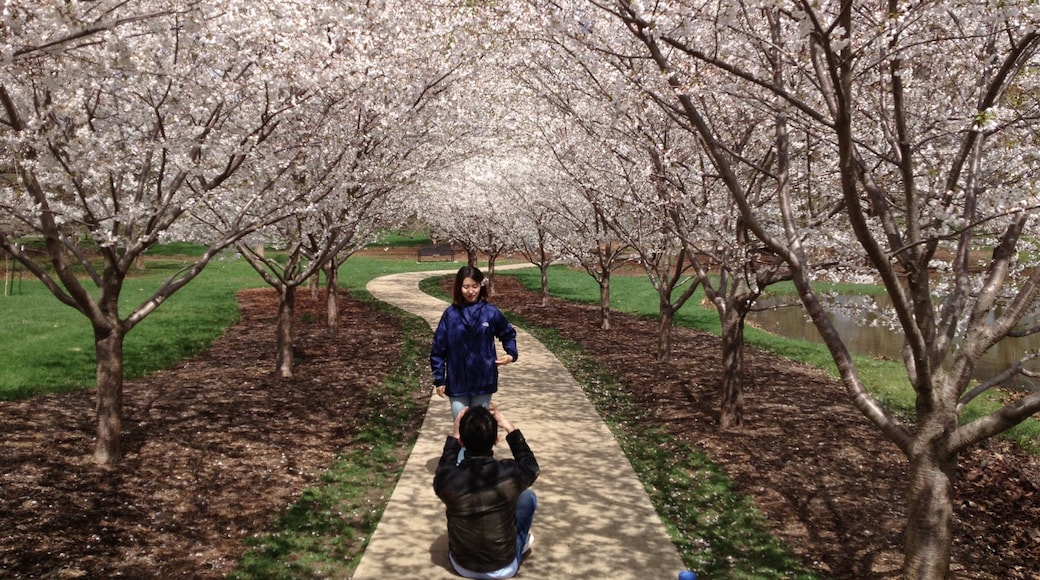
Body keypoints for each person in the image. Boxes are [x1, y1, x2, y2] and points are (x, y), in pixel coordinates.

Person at [434, 403, 539, 579]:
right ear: (496, 440)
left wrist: (454, 436)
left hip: (461, 565)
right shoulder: (510, 473)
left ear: (461, 442)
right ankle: (520, 541)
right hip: (505, 566)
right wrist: (510, 428)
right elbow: (532, 467)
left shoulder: (447, 480)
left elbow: (443, 469)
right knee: (528, 497)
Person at [430, 266, 518, 420]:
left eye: (475, 286)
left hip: (483, 379)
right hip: (457, 380)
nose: (471, 291)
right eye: (466, 287)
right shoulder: (450, 314)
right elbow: (438, 348)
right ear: (459, 287)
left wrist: (510, 354)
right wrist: (439, 379)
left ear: (481, 286)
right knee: (460, 426)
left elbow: (508, 334)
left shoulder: (490, 312)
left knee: (479, 427)